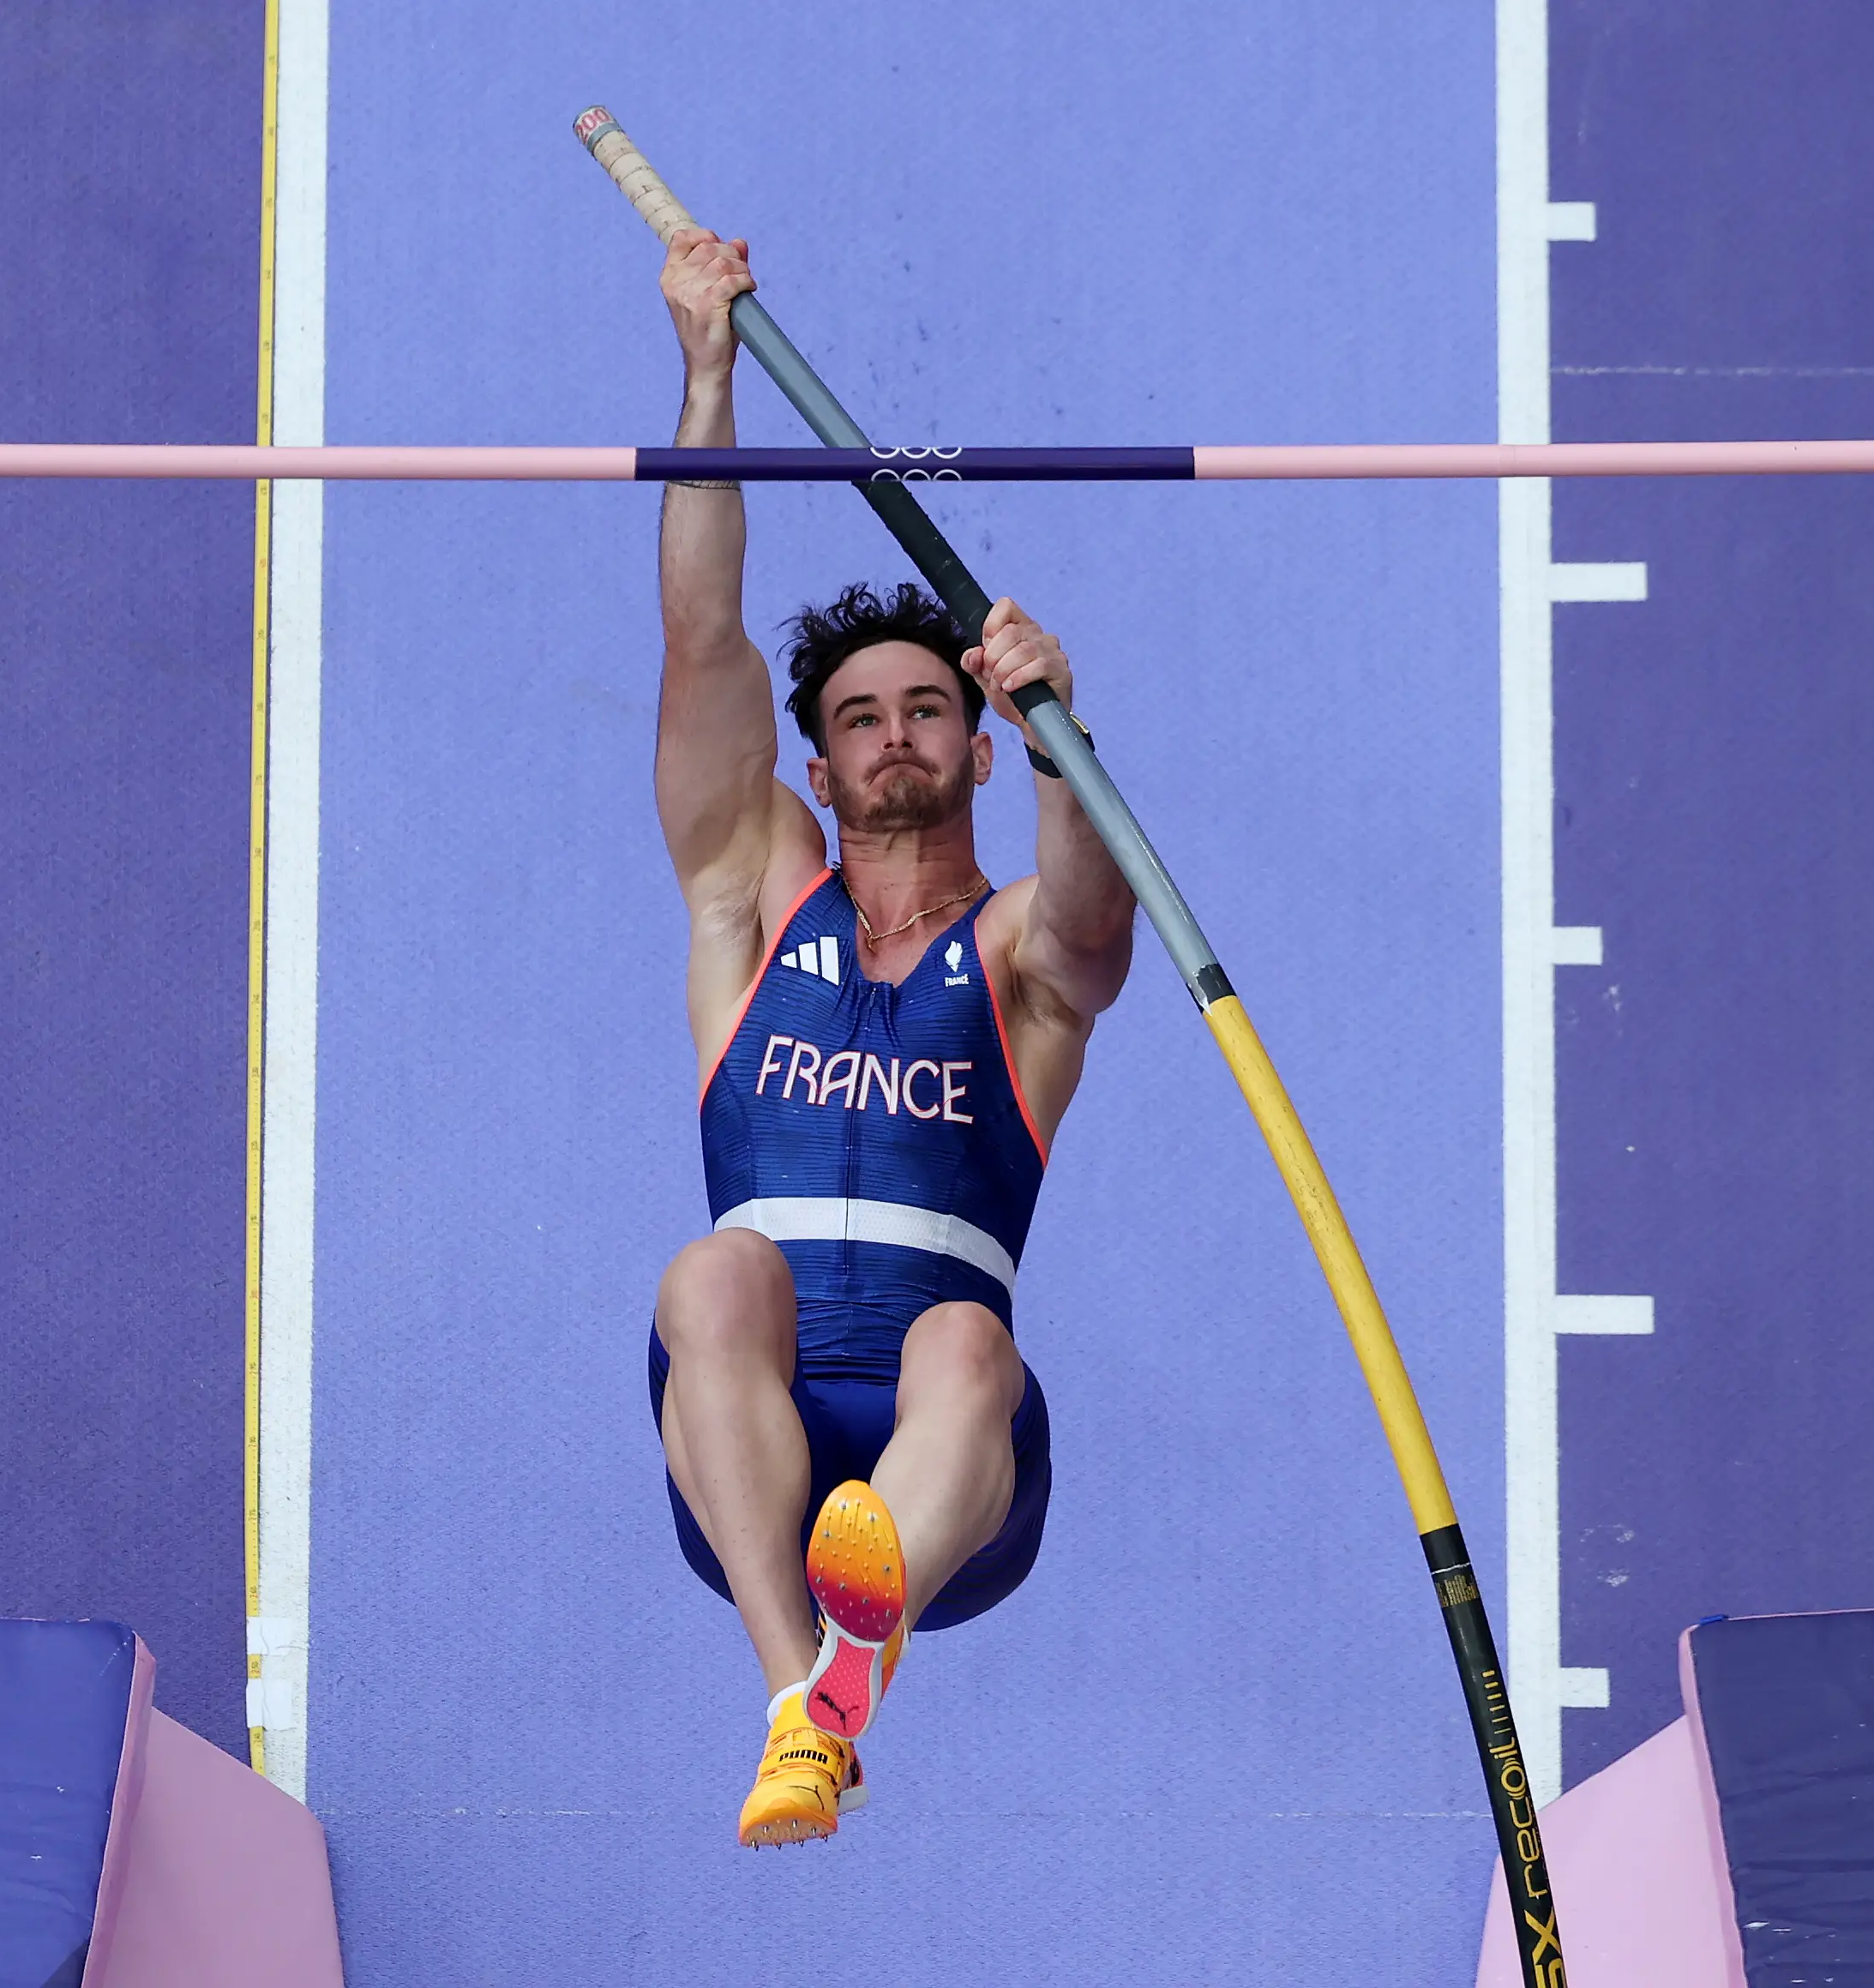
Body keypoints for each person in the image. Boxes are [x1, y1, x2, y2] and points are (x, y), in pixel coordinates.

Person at [647, 224, 1138, 1847]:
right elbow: (704, 644)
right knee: (712, 1272)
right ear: (819, 765)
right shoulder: (753, 896)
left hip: (955, 1477)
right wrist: (708, 374)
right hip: (756, 1438)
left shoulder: (1013, 956)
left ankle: (863, 1638)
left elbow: (1089, 926)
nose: (892, 735)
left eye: (927, 707)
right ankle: (806, 1705)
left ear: (976, 748)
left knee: (961, 1342)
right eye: (857, 718)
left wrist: (1062, 738)